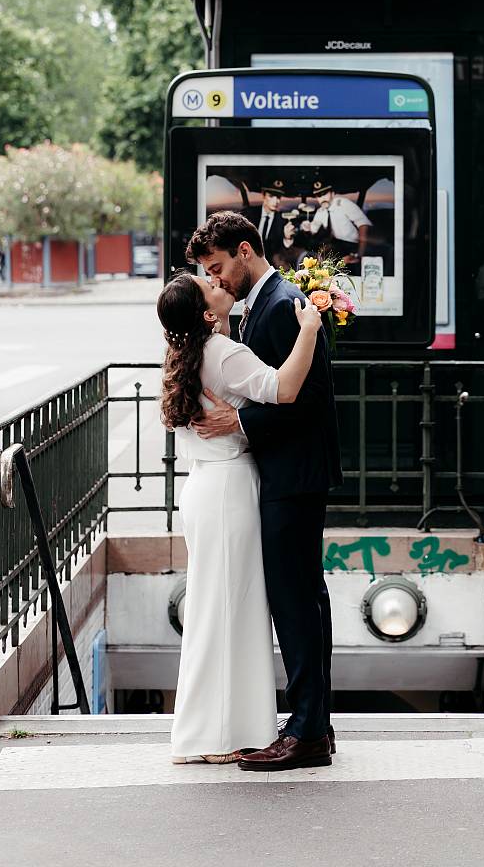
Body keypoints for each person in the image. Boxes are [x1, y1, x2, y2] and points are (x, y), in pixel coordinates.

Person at [187, 210, 342, 773]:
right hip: (291, 473)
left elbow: (303, 399)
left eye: (218, 266)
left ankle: (305, 732)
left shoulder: (278, 307)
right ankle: (313, 723)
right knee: (304, 599)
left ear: (246, 251)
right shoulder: (271, 304)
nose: (218, 278)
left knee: (295, 603)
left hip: (292, 475)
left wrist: (241, 424)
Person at [157, 269, 322, 764]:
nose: (217, 282)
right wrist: (310, 329)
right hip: (230, 489)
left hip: (205, 487)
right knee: (235, 611)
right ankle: (225, 736)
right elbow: (286, 388)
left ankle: (210, 731)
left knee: (215, 610)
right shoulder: (223, 354)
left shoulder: (187, 353)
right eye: (207, 286)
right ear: (207, 314)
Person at [299, 180, 372, 267]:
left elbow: (363, 224)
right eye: (318, 196)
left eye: (324, 194)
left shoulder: (343, 203)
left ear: (332, 193)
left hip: (354, 246)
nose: (322, 199)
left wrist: (360, 254)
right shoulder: (321, 211)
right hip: (336, 245)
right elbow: (313, 230)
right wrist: (307, 228)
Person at [244, 178, 288, 263]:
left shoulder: (283, 220)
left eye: (278, 197)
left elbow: (283, 248)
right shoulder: (248, 214)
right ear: (263, 196)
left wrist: (287, 238)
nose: (276, 201)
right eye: (271, 196)